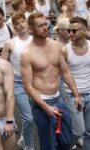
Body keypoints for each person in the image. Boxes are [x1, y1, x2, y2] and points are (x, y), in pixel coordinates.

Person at [20, 12, 81, 150]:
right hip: (42, 103)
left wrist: (76, 95)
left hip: (59, 98)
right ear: (31, 29)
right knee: (49, 145)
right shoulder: (27, 53)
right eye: (40, 26)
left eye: (45, 24)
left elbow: (65, 72)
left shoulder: (55, 46)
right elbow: (27, 86)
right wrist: (45, 107)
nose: (45, 28)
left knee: (66, 141)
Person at [1, 13, 33, 150]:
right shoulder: (10, 43)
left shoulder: (36, 39)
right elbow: (3, 65)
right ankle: (29, 146)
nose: (21, 24)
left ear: (27, 22)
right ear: (14, 27)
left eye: (23, 21)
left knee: (34, 117)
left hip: (35, 83)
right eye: (17, 23)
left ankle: (24, 138)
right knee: (28, 118)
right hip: (18, 84)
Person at [62, 16, 90, 150]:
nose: (70, 34)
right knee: (79, 131)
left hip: (89, 93)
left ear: (84, 31)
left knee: (89, 131)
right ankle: (62, 146)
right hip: (73, 95)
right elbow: (60, 76)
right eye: (69, 30)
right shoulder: (65, 50)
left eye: (74, 31)